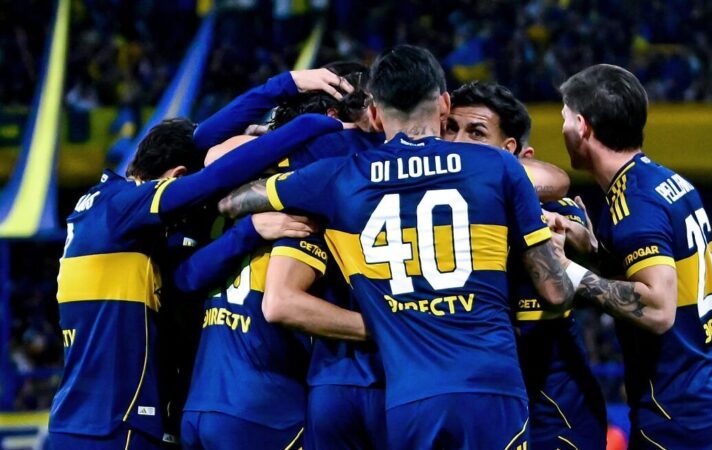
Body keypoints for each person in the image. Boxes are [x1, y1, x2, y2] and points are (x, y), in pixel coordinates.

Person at [220, 44, 576, 450]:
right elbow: (556, 292)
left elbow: (233, 199)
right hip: (490, 386)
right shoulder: (499, 166)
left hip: (409, 400)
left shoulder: (337, 176)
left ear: (374, 113)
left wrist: (279, 157)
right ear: (444, 104)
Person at [49, 110, 347, 449]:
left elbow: (184, 277)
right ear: (177, 177)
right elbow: (214, 178)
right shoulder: (128, 209)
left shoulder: (102, 208)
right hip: (120, 422)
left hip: (85, 417)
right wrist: (314, 122)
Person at [177, 61, 385, 450]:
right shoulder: (335, 158)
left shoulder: (241, 174)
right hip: (267, 409)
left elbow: (207, 142)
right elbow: (282, 305)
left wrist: (285, 85)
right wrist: (393, 327)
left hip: (204, 401)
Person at [558, 64, 712, 449]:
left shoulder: (634, 200)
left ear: (582, 127)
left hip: (681, 418)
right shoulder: (668, 182)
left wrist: (568, 271)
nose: (561, 127)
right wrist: (594, 252)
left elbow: (659, 308)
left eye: (565, 117)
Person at [445, 80, 607, 449]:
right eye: (450, 128)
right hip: (477, 403)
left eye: (476, 132)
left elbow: (585, 247)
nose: (457, 142)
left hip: (555, 410)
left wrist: (583, 241)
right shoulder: (429, 214)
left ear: (514, 154)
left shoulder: (549, 211)